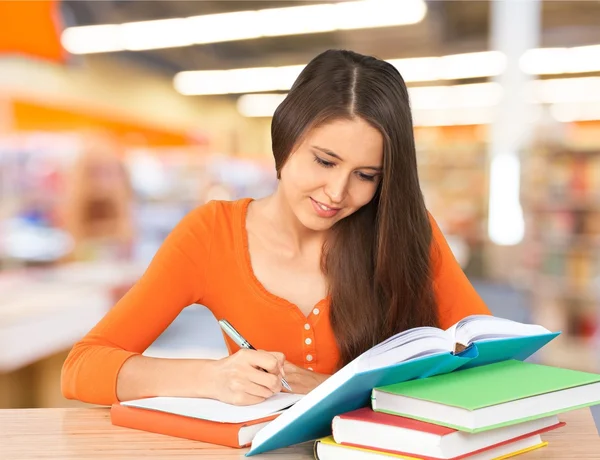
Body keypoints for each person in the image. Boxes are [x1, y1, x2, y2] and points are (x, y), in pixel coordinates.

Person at [61, 49, 490, 408]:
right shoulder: (212, 233)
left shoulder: (408, 233)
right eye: (324, 161)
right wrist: (211, 378)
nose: (337, 192)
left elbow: (493, 363)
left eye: (366, 176)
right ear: (285, 138)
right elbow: (83, 368)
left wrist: (332, 391)